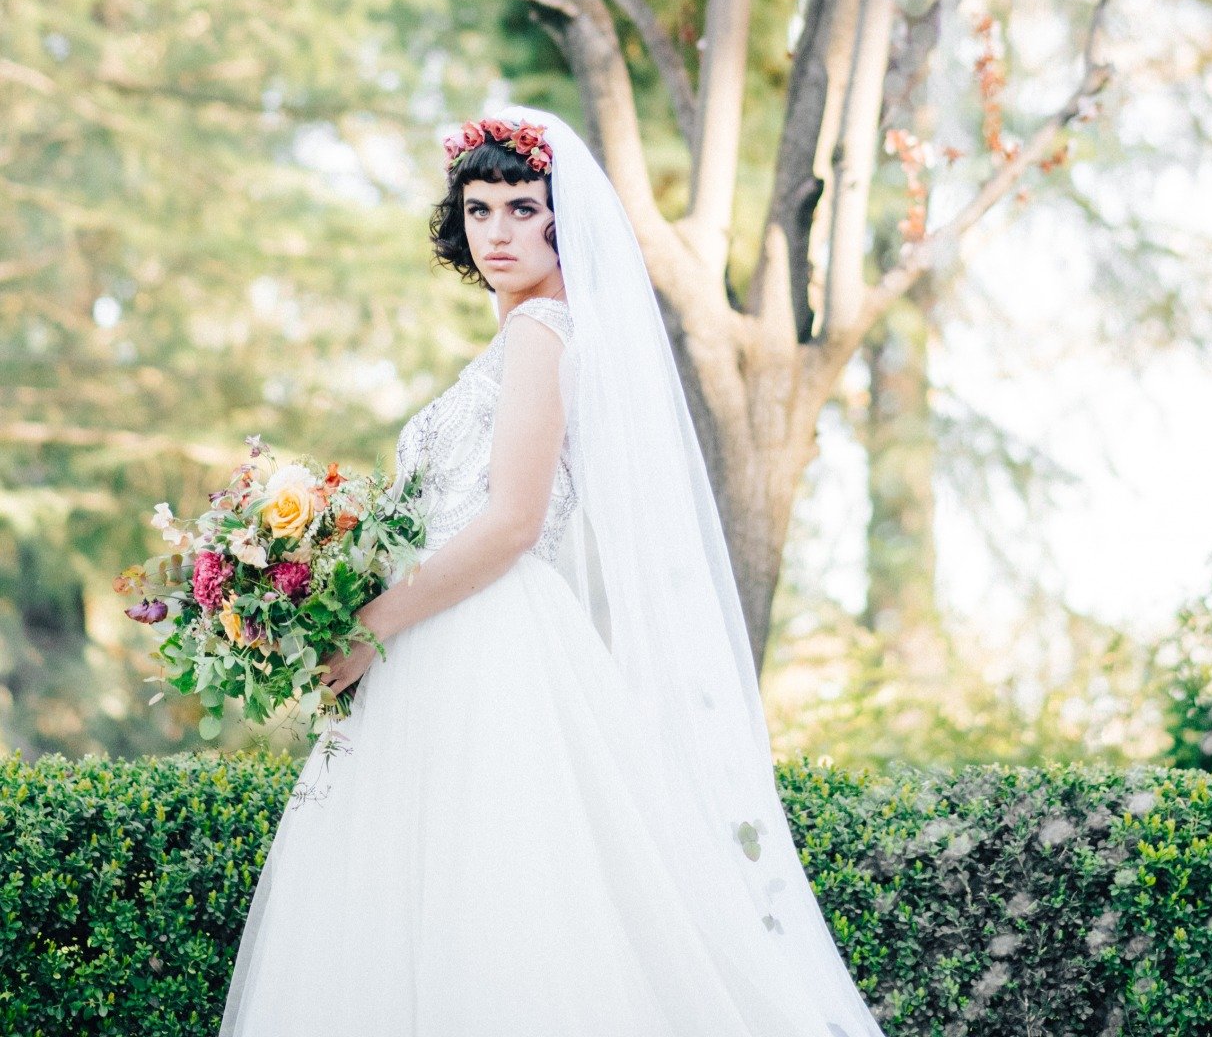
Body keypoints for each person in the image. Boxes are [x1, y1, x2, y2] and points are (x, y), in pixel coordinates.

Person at [220, 108, 880, 1037]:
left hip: (487, 643)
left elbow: (513, 522)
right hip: (437, 639)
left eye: (520, 208)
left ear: (559, 219)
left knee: (492, 903)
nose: (496, 231)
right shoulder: (514, 342)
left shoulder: (543, 337)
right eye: (478, 209)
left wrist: (368, 628)